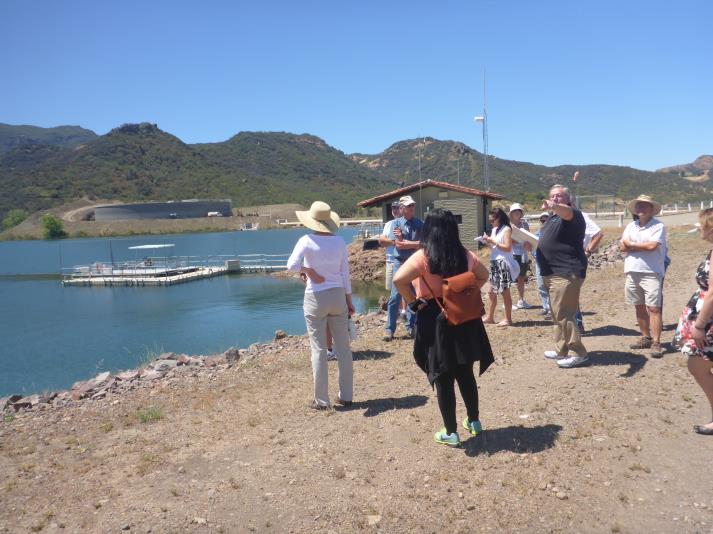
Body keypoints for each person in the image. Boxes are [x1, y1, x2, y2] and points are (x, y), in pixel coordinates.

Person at [393, 208, 493, 447]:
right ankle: (474, 422)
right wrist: (465, 293)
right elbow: (483, 275)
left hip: (435, 319)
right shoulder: (464, 254)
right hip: (463, 317)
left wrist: (415, 304)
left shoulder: (422, 257)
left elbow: (398, 280)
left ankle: (451, 432)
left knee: (443, 377)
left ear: (429, 229)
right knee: (465, 373)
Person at [287, 201, 354, 409]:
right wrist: (349, 301)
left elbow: (291, 266)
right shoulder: (340, 242)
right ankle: (346, 396)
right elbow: (345, 274)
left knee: (318, 349)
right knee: (343, 348)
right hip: (337, 296)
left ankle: (322, 401)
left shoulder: (306, 240)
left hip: (316, 298)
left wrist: (309, 271)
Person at [537, 185, 589, 368]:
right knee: (556, 312)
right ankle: (562, 349)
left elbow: (565, 211)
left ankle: (578, 352)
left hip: (566, 271)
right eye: (552, 196)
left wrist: (553, 205)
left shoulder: (573, 214)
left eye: (559, 196)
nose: (555, 199)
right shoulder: (552, 218)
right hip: (552, 272)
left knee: (564, 313)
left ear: (568, 200)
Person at [674, 208, 713, 435]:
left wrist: (699, 325)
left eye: (702, 224)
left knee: (697, 365)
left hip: (708, 320)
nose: (699, 228)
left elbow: (712, 293)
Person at [620, 195, 667, 358]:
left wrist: (632, 246)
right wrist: (639, 247)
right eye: (638, 206)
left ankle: (656, 342)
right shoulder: (631, 226)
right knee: (638, 305)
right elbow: (622, 247)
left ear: (651, 209)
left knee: (653, 307)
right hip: (632, 271)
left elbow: (652, 246)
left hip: (651, 272)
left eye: (644, 206)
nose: (640, 208)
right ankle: (645, 337)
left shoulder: (658, 226)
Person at [383, 195, 423, 341]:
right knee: (395, 296)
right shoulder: (395, 223)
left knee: (413, 296)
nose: (412, 208)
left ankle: (411, 327)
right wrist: (412, 243)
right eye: (408, 206)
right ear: (402, 208)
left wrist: (406, 242)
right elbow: (398, 245)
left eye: (413, 205)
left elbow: (424, 244)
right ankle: (389, 329)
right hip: (399, 262)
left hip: (414, 263)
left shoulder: (420, 223)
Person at [482, 207, 516, 327]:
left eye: (492, 220)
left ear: (499, 218)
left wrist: (493, 241)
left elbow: (508, 247)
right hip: (495, 261)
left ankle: (508, 318)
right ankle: (490, 317)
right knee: (491, 291)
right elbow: (495, 248)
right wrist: (488, 242)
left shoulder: (506, 229)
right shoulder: (495, 230)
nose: (491, 222)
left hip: (503, 263)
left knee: (504, 291)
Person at [576, 211, 604, 334]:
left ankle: (577, 325)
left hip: (575, 258)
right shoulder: (556, 217)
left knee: (571, 292)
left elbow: (598, 233)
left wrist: (588, 251)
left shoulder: (580, 216)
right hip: (560, 259)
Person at [509, 203, 533, 309]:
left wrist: (528, 244)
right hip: (512, 254)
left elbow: (529, 238)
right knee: (509, 278)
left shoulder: (525, 224)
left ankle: (521, 300)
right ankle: (508, 302)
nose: (517, 212)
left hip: (523, 254)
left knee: (521, 278)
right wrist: (518, 240)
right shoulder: (507, 225)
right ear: (511, 213)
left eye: (519, 210)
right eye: (514, 211)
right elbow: (506, 241)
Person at [379, 200, 402, 290]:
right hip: (389, 261)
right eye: (393, 208)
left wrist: (389, 241)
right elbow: (382, 242)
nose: (394, 210)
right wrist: (395, 242)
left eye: (397, 207)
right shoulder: (388, 224)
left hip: (402, 261)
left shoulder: (405, 223)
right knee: (390, 290)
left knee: (402, 290)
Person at [534, 212, 552, 320]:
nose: (544, 222)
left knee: (550, 286)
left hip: (550, 262)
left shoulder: (553, 233)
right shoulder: (536, 234)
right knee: (541, 285)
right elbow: (532, 247)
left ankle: (551, 309)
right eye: (542, 220)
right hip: (538, 261)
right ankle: (545, 307)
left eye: (546, 220)